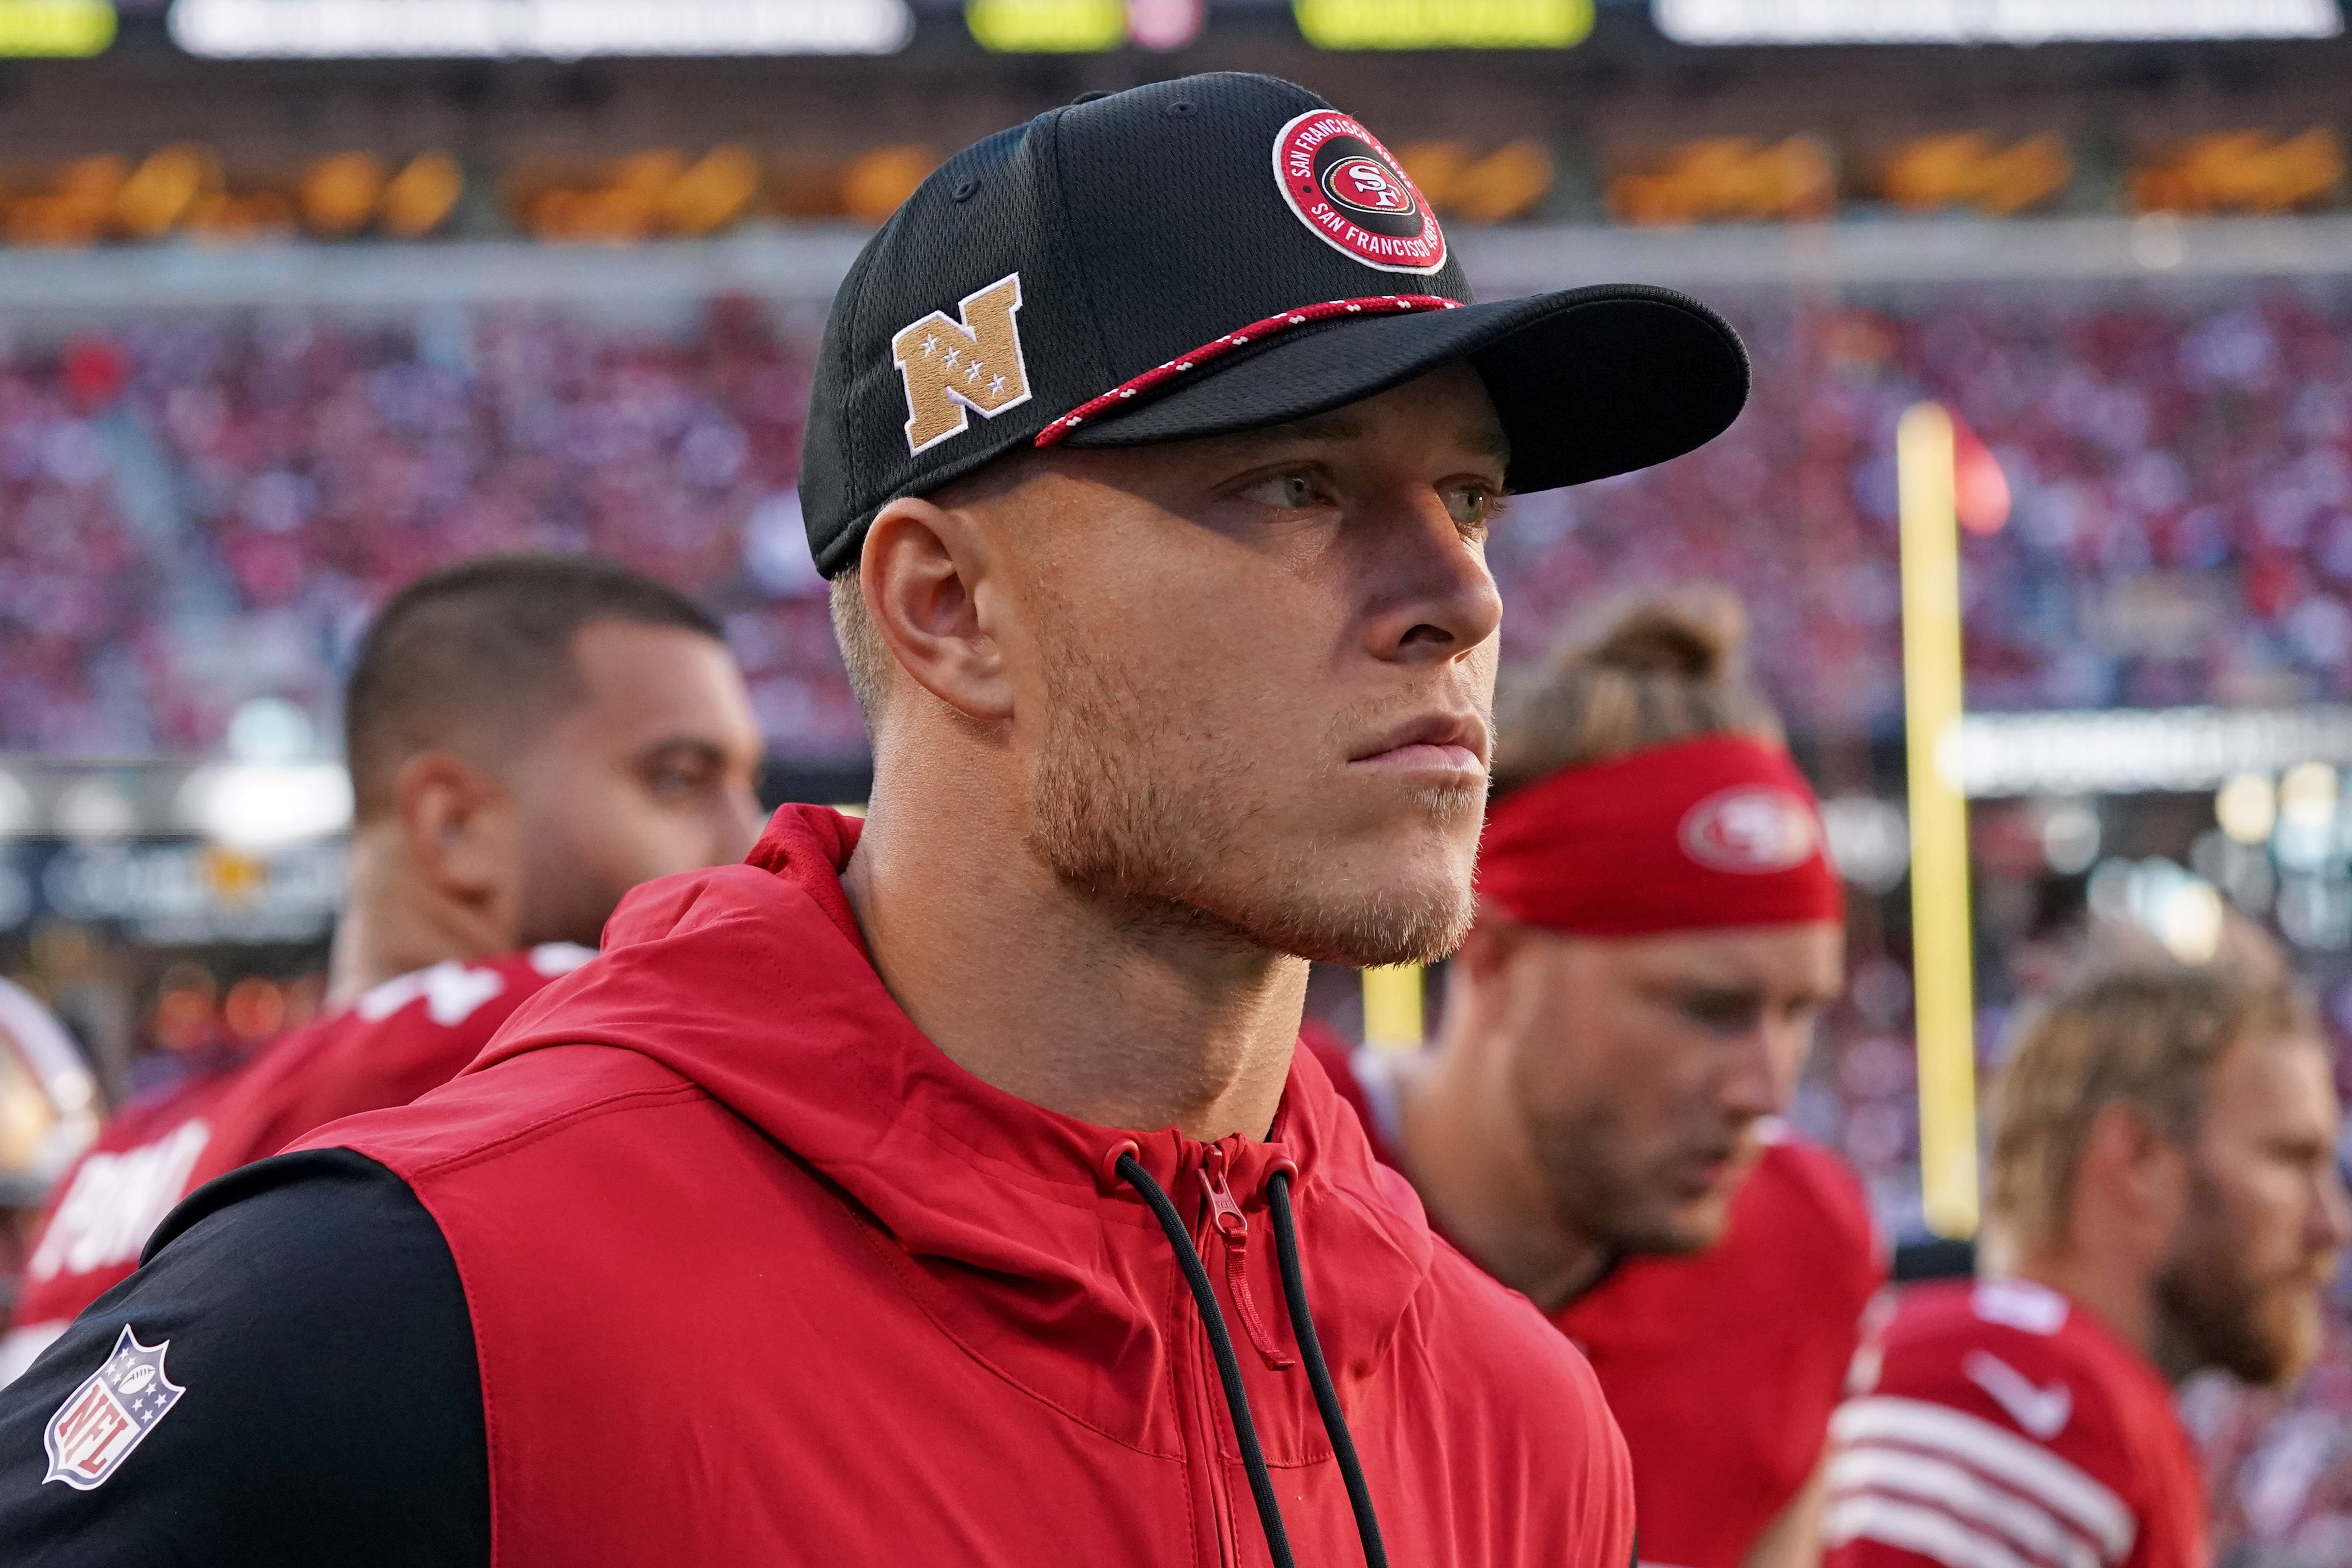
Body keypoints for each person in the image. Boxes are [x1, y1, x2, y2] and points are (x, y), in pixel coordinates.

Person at [0, 73, 1750, 1564]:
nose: (1455, 592)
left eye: (1466, 496)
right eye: (1294, 481)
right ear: (944, 610)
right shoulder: (420, 1309)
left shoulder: (1516, 1420)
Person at [0, 553, 765, 1383]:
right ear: (454, 822)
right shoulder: (539, 1031)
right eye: (681, 781)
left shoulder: (123, 1152)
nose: (755, 843)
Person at [1306, 589, 1880, 1568]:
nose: (1765, 1090)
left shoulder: (1802, 1243)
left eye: (1797, 1014)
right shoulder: (1255, 1165)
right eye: (1707, 1009)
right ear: (1490, 955)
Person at [1823, 957, 2351, 1568]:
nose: (2330, 1224)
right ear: (2139, 1157)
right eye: (2290, 1160)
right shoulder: (2020, 1384)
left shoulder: (2080, 1396)